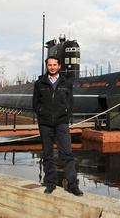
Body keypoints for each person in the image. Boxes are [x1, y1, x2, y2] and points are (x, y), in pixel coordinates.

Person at [33, 56, 83, 196]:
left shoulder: (66, 82)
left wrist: (65, 116)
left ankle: (73, 185)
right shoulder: (40, 83)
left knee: (67, 154)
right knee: (48, 155)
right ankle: (50, 183)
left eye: (55, 64)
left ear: (59, 66)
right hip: (46, 124)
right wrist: (42, 115)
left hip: (61, 123)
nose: (52, 67)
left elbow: (69, 102)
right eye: (50, 65)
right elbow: (36, 103)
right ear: (47, 66)